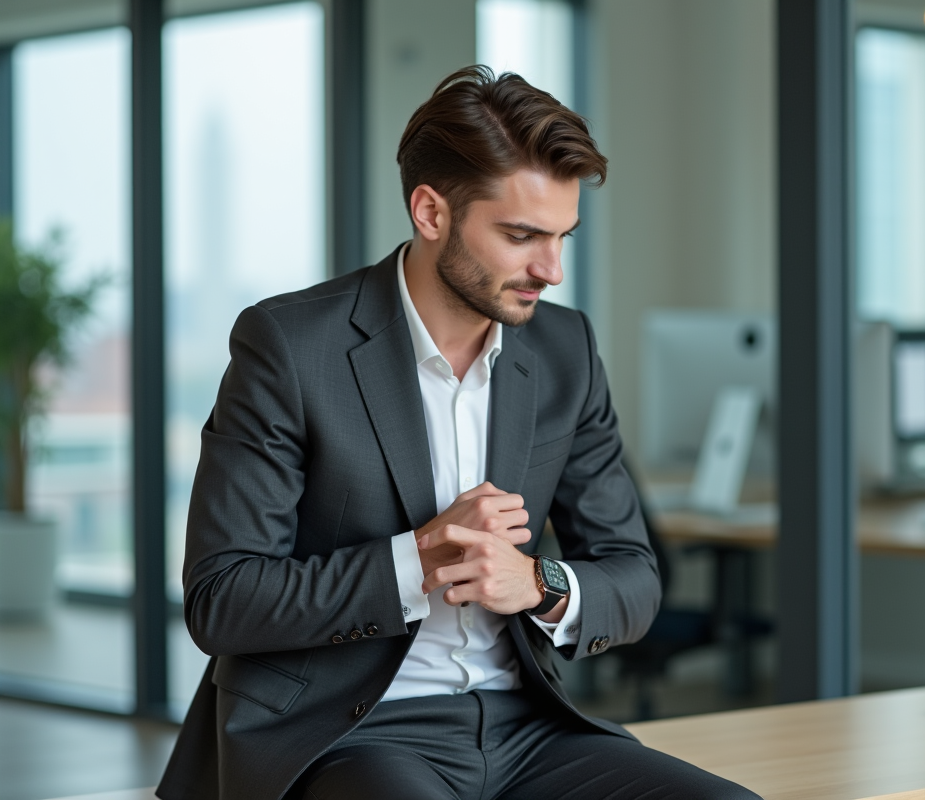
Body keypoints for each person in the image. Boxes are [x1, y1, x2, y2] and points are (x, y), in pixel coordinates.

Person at [157, 66, 760, 800]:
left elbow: (634, 576)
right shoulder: (290, 347)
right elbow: (223, 598)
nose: (552, 270)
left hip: (531, 730)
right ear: (431, 213)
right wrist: (418, 560)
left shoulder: (564, 350)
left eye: (563, 237)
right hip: (346, 734)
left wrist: (536, 582)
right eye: (521, 236)